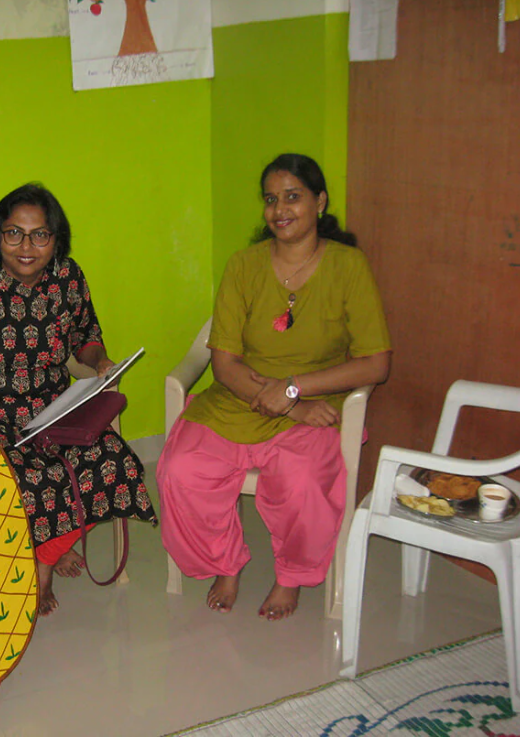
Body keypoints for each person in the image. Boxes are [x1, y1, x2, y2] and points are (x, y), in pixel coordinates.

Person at [157, 154, 391, 621]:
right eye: (270, 199)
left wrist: (295, 391)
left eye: (292, 196)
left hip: (316, 400)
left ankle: (292, 577)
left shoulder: (348, 266)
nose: (279, 209)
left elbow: (375, 364)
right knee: (179, 472)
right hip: (243, 395)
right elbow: (223, 362)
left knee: (303, 483)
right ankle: (226, 562)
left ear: (319, 202)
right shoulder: (243, 265)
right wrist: (285, 404)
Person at [0, 183, 156, 616]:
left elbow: (86, 339)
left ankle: (46, 553)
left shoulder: (68, 277)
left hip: (53, 408)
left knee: (113, 464)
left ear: (55, 240)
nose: (27, 246)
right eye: (14, 234)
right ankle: (44, 559)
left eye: (40, 235)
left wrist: (100, 365)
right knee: (27, 483)